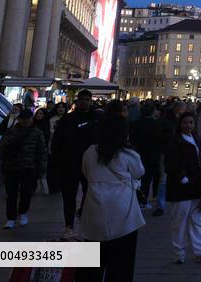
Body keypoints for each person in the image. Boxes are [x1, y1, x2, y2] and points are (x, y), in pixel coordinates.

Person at [78, 114, 145, 281]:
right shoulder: (128, 154)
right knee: (121, 267)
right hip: (124, 217)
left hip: (94, 214)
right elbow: (139, 173)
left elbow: (86, 173)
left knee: (92, 268)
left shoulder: (90, 152)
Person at [51, 89, 101, 239]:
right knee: (69, 197)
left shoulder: (97, 119)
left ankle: (84, 220)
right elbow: (57, 141)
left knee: (90, 195)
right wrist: (58, 159)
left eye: (87, 99)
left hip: (90, 165)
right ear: (77, 101)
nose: (84, 102)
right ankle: (69, 226)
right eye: (82, 99)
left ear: (91, 101)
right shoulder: (67, 120)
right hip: (69, 163)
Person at [166, 111, 201, 264]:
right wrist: (182, 177)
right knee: (179, 222)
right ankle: (179, 253)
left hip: (197, 188)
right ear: (180, 124)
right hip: (182, 188)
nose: (188, 126)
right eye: (185, 122)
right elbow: (171, 163)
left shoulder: (198, 140)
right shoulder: (175, 141)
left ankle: (200, 251)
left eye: (191, 123)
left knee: (198, 221)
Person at [0, 108, 47, 229]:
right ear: (19, 119)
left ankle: (23, 213)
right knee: (11, 194)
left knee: (26, 193)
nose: (25, 121)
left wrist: (42, 169)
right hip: (11, 167)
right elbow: (2, 148)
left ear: (31, 119)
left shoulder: (37, 132)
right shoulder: (11, 132)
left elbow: (42, 152)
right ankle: (11, 218)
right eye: (23, 119)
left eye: (27, 119)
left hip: (29, 167)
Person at [130, 102, 163, 209]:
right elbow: (159, 140)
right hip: (151, 155)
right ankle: (143, 200)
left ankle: (136, 198)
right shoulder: (156, 124)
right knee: (147, 179)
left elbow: (132, 139)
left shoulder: (135, 123)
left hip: (137, 153)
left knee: (136, 178)